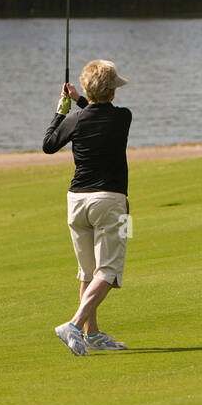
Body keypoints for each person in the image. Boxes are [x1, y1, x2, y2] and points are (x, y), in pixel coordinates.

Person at [43, 59, 133, 356]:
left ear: (87, 89)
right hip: (109, 201)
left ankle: (91, 334)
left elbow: (49, 144)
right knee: (107, 272)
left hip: (76, 201)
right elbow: (99, 109)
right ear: (113, 91)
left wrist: (63, 108)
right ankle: (74, 324)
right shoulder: (123, 117)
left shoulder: (75, 120)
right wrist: (80, 100)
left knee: (87, 272)